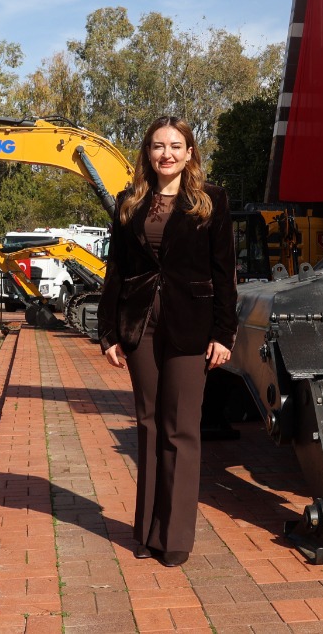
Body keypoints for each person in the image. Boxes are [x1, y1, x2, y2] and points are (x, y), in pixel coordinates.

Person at [98, 115, 236, 567]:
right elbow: (116, 271)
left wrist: (223, 333)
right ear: (147, 153)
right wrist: (108, 335)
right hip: (140, 326)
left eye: (176, 146)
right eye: (159, 146)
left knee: (181, 430)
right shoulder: (129, 202)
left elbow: (224, 275)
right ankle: (148, 531)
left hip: (191, 328)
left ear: (190, 152)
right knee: (149, 425)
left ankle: (174, 538)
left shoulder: (211, 202)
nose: (167, 154)